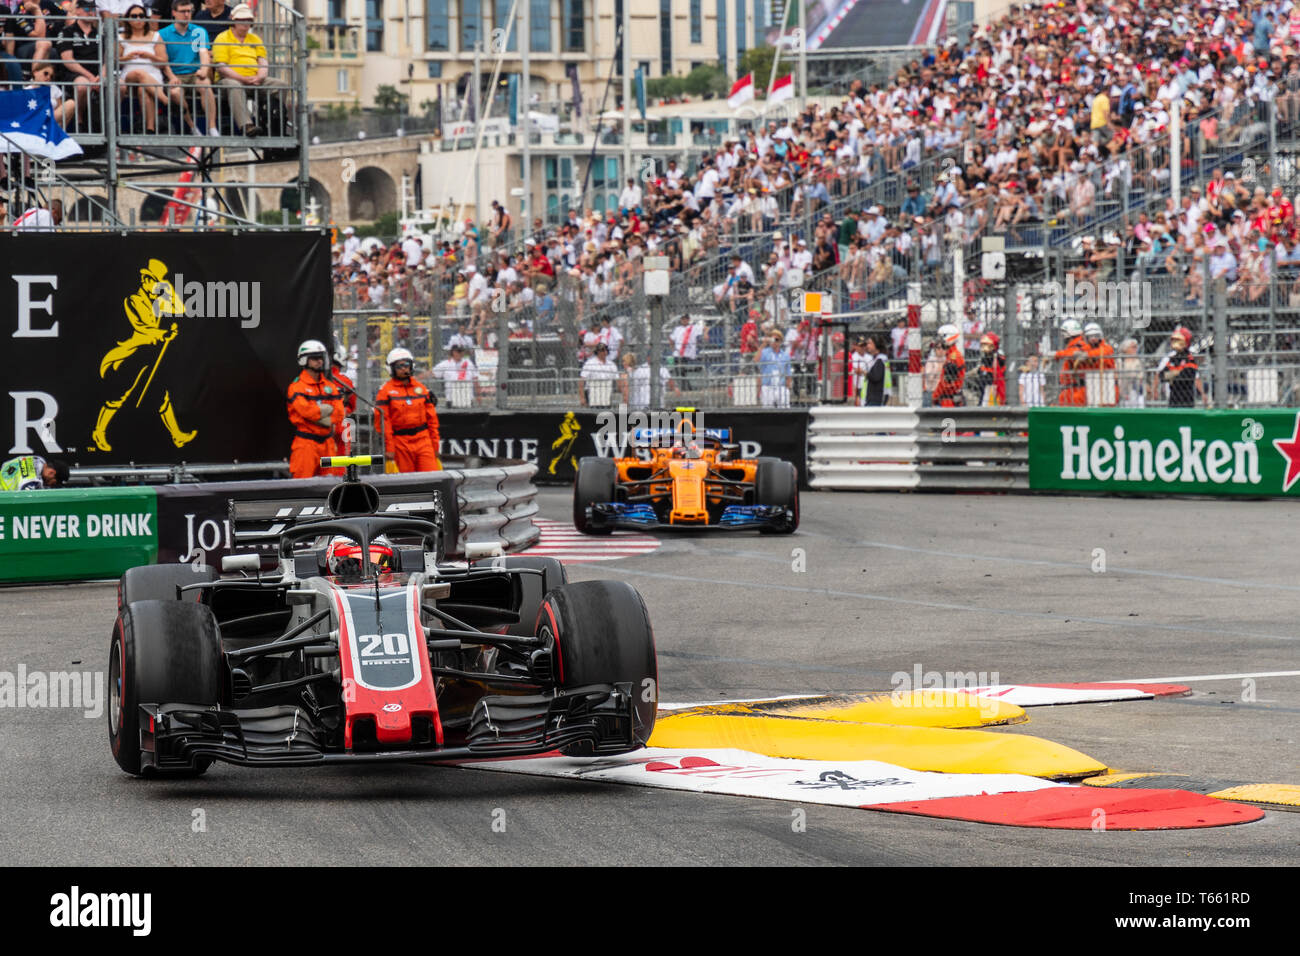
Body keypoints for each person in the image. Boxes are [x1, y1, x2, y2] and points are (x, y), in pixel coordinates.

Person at [212, 4, 282, 137]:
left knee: (280, 85)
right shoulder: (222, 38)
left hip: (254, 79)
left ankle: (274, 121)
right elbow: (222, 68)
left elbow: (263, 61)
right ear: (234, 21)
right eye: (242, 20)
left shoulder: (255, 39)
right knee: (233, 85)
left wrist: (260, 76)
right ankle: (247, 125)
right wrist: (243, 79)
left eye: (248, 21)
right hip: (228, 80)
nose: (245, 24)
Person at [375, 347, 442, 473]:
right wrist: (389, 448)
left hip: (423, 440)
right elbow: (383, 422)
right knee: (407, 481)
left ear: (412, 366)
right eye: (399, 366)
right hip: (400, 443)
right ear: (391, 369)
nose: (404, 369)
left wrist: (435, 445)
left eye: (406, 365)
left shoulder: (421, 389)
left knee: (432, 477)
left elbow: (432, 420)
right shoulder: (385, 392)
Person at [157, 0, 218, 136]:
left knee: (206, 85)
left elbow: (203, 53)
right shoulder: (163, 34)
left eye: (189, 11)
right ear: (174, 13)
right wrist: (172, 77)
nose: (186, 14)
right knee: (175, 93)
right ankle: (192, 127)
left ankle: (212, 127)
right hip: (175, 75)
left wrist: (204, 69)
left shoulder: (199, 31)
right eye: (183, 11)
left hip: (194, 73)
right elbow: (163, 60)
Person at [286, 339, 344, 479]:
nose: (320, 361)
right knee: (302, 485)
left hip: (328, 444)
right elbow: (305, 411)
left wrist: (321, 417)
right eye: (315, 358)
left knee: (330, 486)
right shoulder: (296, 387)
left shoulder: (330, 386)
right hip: (306, 444)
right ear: (304, 360)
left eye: (321, 358)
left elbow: (340, 413)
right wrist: (325, 411)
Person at [118, 4, 167, 134]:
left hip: (153, 76)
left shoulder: (155, 36)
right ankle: (165, 100)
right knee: (139, 73)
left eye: (142, 15)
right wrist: (126, 58)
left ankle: (150, 128)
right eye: (134, 16)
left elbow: (164, 61)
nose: (138, 18)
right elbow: (113, 60)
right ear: (128, 19)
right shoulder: (121, 37)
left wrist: (150, 56)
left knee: (143, 89)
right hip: (130, 75)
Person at [1156, 326, 1205, 408]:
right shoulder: (1173, 358)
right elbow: (1162, 376)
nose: (1175, 342)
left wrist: (1172, 374)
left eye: (1178, 340)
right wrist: (1176, 373)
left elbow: (1186, 377)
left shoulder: (1190, 359)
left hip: (1186, 399)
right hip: (1173, 398)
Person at [1073, 322, 1116, 406]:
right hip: (1091, 379)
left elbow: (1103, 352)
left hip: (1106, 379)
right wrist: (1077, 353)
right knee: (1092, 404)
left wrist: (1087, 355)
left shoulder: (1107, 347)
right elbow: (1079, 352)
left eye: (1095, 336)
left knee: (1108, 404)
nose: (1093, 338)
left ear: (1100, 336)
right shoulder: (1086, 348)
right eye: (1090, 336)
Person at [1053, 318, 1086, 406]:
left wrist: (1056, 354)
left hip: (1075, 390)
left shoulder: (1079, 346)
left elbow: (1075, 353)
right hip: (1070, 390)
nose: (1063, 337)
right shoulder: (1074, 346)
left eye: (1063, 334)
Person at [931, 323, 966, 407]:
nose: (939, 340)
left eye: (941, 337)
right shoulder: (953, 355)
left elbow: (945, 384)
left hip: (948, 401)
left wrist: (935, 396)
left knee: (947, 420)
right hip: (951, 398)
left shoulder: (953, 358)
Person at [759, 330, 793, 408]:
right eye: (772, 339)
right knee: (767, 410)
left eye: (777, 340)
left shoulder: (785, 355)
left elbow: (788, 372)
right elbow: (756, 360)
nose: (774, 342)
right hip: (768, 385)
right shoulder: (765, 352)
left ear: (780, 341)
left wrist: (788, 386)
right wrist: (763, 344)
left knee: (784, 408)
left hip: (781, 386)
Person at [579, 342, 618, 407]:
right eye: (602, 350)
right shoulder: (590, 363)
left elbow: (618, 380)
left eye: (605, 349)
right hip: (593, 395)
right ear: (597, 352)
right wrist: (582, 397)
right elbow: (581, 380)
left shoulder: (611, 364)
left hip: (606, 396)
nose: (604, 352)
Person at [973, 332, 1006, 405]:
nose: (984, 347)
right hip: (983, 391)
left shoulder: (1000, 360)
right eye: (983, 345)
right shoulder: (983, 360)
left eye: (986, 345)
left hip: (995, 391)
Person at [0, 455, 68, 491]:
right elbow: (26, 504)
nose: (50, 485)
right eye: (54, 483)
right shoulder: (32, 481)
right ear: (51, 473)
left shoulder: (37, 459)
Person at [861, 335, 888, 406]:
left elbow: (876, 377)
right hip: (873, 398)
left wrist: (864, 372)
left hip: (875, 399)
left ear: (876, 345)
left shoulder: (880, 360)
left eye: (870, 343)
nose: (867, 346)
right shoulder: (878, 359)